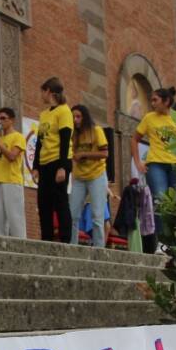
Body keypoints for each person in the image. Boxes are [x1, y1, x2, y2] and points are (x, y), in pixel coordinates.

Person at [132, 86, 176, 253]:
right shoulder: (149, 118)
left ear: (166, 101)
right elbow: (134, 139)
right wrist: (138, 162)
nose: (152, 103)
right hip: (156, 164)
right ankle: (163, 242)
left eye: (155, 100)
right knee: (161, 201)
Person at [32, 77, 74, 242]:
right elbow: (39, 142)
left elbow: (65, 139)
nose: (41, 95)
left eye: (42, 91)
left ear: (48, 91)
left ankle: (65, 240)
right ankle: (46, 239)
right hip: (44, 164)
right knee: (43, 204)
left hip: (59, 161)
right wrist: (36, 166)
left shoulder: (64, 111)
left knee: (60, 202)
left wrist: (63, 167)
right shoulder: (44, 114)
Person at [68, 104, 109, 247]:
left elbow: (105, 153)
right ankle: (72, 246)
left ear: (85, 117)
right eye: (73, 117)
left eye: (78, 116)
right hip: (79, 178)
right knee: (73, 214)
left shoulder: (96, 131)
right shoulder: (73, 135)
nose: (75, 119)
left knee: (97, 216)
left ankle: (99, 249)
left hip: (97, 176)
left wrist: (84, 154)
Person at [0, 107, 27, 238]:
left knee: (15, 218)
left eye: (3, 118)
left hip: (11, 181)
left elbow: (12, 156)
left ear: (12, 120)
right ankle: (1, 247)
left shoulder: (18, 137)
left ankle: (21, 247)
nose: (0, 121)